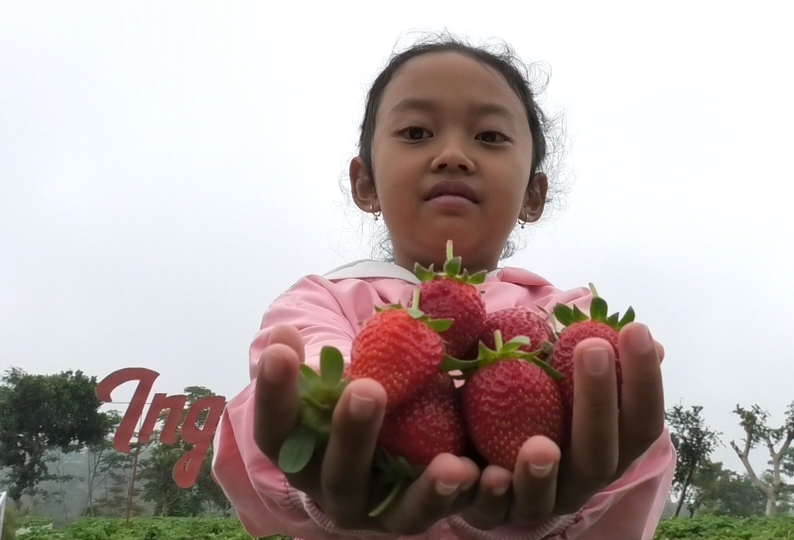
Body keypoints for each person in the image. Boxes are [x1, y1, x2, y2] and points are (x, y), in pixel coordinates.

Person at [212, 35, 676, 540]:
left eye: (491, 137)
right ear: (364, 183)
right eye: (416, 132)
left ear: (533, 196)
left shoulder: (570, 317)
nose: (453, 155)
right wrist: (335, 437)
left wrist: (567, 500)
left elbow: (629, 439)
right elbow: (300, 374)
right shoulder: (323, 300)